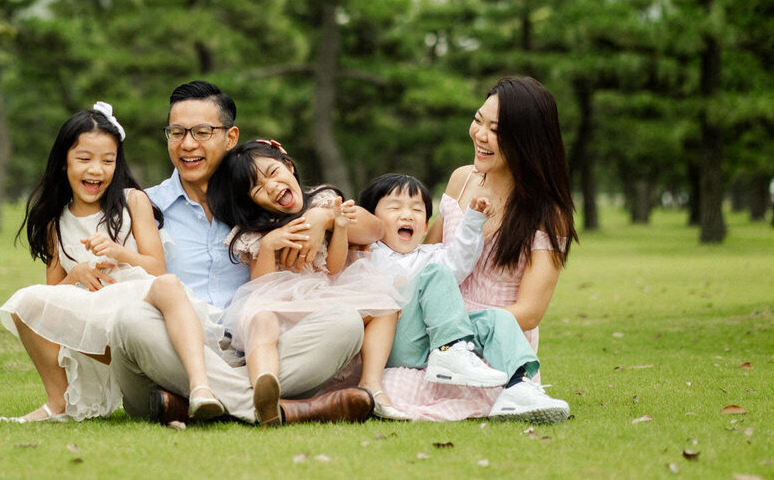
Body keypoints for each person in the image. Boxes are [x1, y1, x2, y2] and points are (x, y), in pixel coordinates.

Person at [109, 81, 374, 425]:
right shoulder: (144, 205)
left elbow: (370, 226)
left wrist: (323, 217)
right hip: (175, 349)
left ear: (230, 137)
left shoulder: (262, 199)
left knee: (346, 323)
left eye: (202, 132)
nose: (188, 144)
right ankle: (284, 408)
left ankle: (193, 402)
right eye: (177, 132)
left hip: (260, 348)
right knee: (130, 321)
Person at [0, 103, 225, 422]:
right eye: (84, 159)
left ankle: (202, 388)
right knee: (25, 303)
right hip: (95, 321)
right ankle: (58, 402)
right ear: (64, 162)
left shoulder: (132, 202)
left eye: (108, 160)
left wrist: (119, 253)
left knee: (170, 285)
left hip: (139, 303)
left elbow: (157, 269)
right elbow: (51, 303)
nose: (97, 170)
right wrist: (76, 273)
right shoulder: (55, 223)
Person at [379, 76, 576, 423]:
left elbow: (529, 312)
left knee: (397, 386)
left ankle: (514, 389)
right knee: (378, 378)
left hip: (494, 343)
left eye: (495, 129)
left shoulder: (547, 213)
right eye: (477, 121)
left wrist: (456, 332)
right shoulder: (461, 180)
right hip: (433, 337)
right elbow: (428, 262)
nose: (479, 135)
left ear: (526, 140)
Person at [208, 140, 408, 422]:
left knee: (385, 305)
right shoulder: (256, 233)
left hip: (322, 300)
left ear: (289, 166)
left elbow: (344, 258)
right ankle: (265, 382)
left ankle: (372, 385)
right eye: (257, 188)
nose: (271, 186)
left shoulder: (324, 201)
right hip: (282, 309)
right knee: (261, 319)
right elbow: (261, 290)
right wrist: (268, 246)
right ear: (251, 201)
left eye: (273, 172)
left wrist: (330, 222)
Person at [358, 173, 562, 421]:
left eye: (416, 209)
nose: (407, 215)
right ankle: (449, 350)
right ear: (373, 222)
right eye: (395, 207)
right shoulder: (367, 253)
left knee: (496, 320)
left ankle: (519, 386)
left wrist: (473, 220)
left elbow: (460, 259)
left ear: (425, 227)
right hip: (392, 340)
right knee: (436, 273)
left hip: (428, 343)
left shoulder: (430, 255)